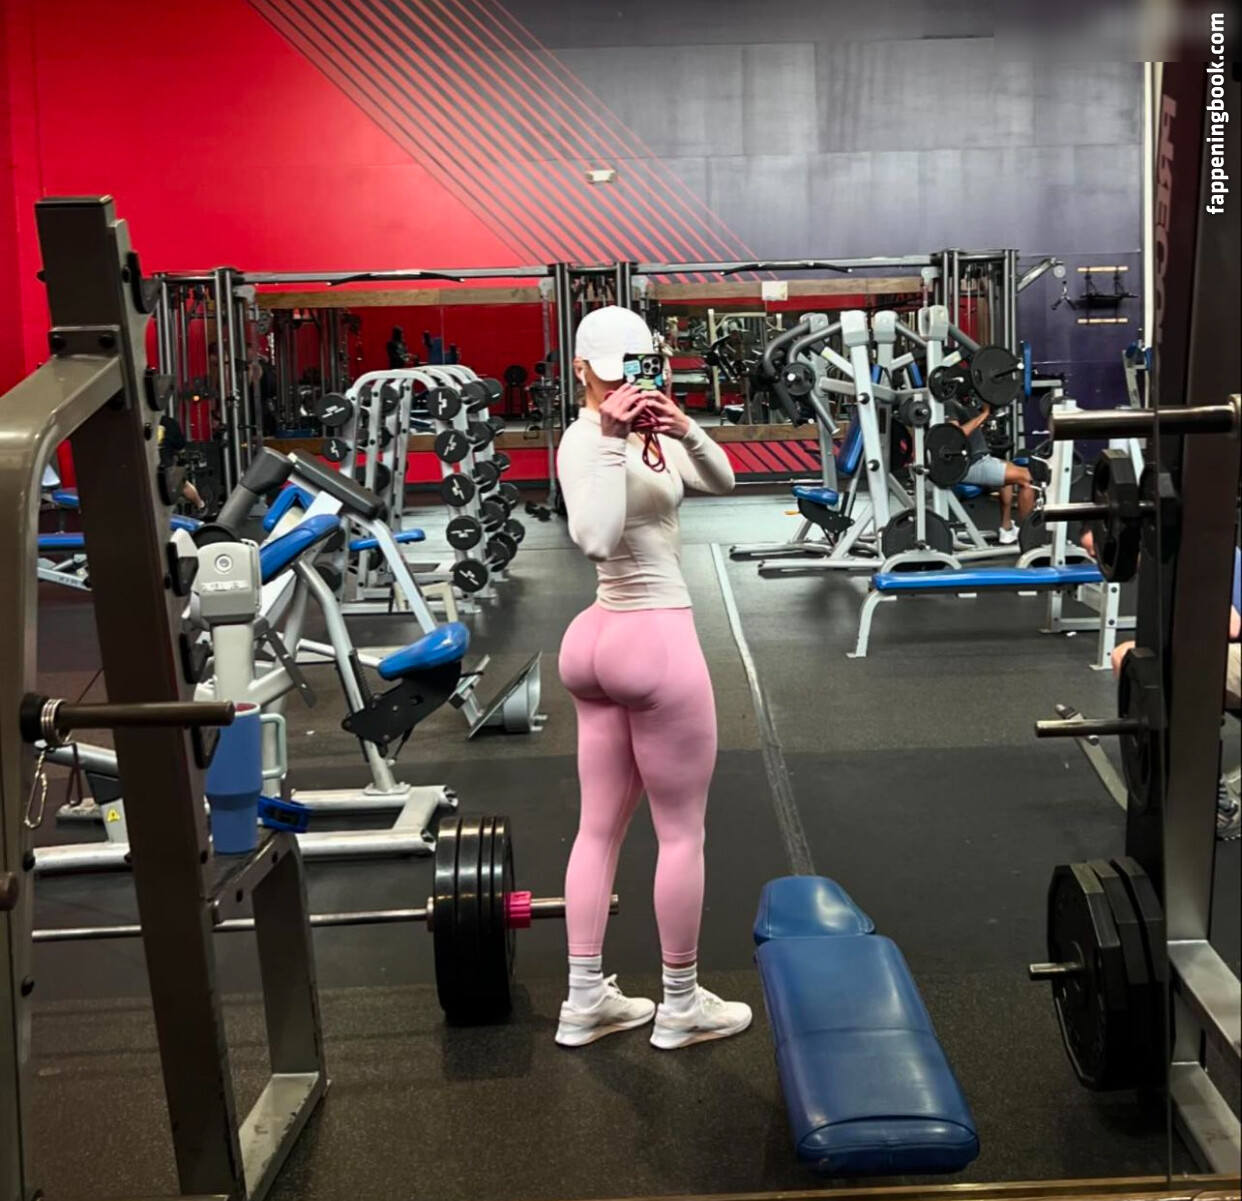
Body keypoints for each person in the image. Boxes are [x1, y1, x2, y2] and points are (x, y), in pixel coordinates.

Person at [554, 305, 750, 1050]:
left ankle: (585, 1001)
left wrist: (683, 426)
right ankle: (680, 1003)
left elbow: (724, 481)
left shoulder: (647, 433)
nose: (621, 388)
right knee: (680, 834)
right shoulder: (586, 439)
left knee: (598, 827)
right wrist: (611, 439)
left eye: (633, 374)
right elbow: (595, 538)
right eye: (609, 377)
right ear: (581, 371)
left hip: (599, 640)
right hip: (652, 636)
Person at [1092, 533, 1241, 841]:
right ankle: (1181, 786)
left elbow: (1228, 625)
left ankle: (1218, 807)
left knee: (1171, 669)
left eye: (1097, 549)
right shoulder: (1185, 551)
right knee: (1138, 660)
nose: (1099, 559)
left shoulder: (1199, 553)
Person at [944, 397, 1037, 544]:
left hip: (981, 459)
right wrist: (983, 415)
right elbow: (956, 436)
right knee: (1027, 478)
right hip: (970, 464)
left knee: (1009, 472)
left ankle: (1006, 529)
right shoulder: (948, 404)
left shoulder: (967, 403)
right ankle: (1029, 536)